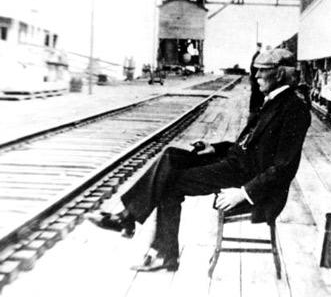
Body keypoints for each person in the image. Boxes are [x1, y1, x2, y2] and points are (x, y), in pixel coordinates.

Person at [87, 48, 312, 271]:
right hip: (235, 165)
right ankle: (133, 223)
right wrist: (213, 147)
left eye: (263, 71)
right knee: (170, 156)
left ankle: (154, 244)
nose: (256, 76)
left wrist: (243, 192)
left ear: (280, 74)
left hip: (247, 180)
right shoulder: (272, 100)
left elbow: (284, 168)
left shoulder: (294, 110)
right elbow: (248, 146)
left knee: (170, 183)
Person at [249, 43, 264, 117]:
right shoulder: (257, 55)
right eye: (258, 47)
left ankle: (254, 108)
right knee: (256, 93)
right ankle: (254, 109)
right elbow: (253, 67)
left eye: (259, 47)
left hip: (254, 77)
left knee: (255, 93)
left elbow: (252, 67)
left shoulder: (256, 55)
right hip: (255, 78)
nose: (258, 48)